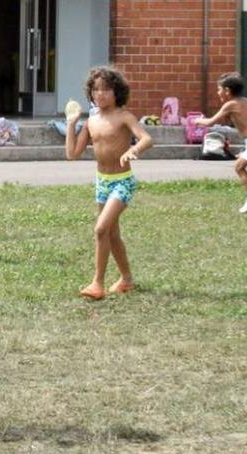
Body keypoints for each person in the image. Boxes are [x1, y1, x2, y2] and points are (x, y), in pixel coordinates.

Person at [65, 66, 153, 300]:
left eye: (106, 89)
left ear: (117, 92)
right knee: (112, 235)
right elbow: (72, 154)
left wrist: (133, 150)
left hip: (122, 181)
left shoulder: (124, 116)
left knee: (101, 229)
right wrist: (71, 125)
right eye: (95, 89)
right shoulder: (91, 122)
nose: (100, 94)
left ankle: (97, 283)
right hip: (102, 182)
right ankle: (127, 279)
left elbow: (146, 138)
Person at [194, 73, 247, 212]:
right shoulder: (244, 101)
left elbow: (210, 122)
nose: (218, 93)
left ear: (227, 91)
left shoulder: (230, 104)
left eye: (219, 89)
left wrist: (197, 120)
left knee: (239, 167)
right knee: (239, 167)